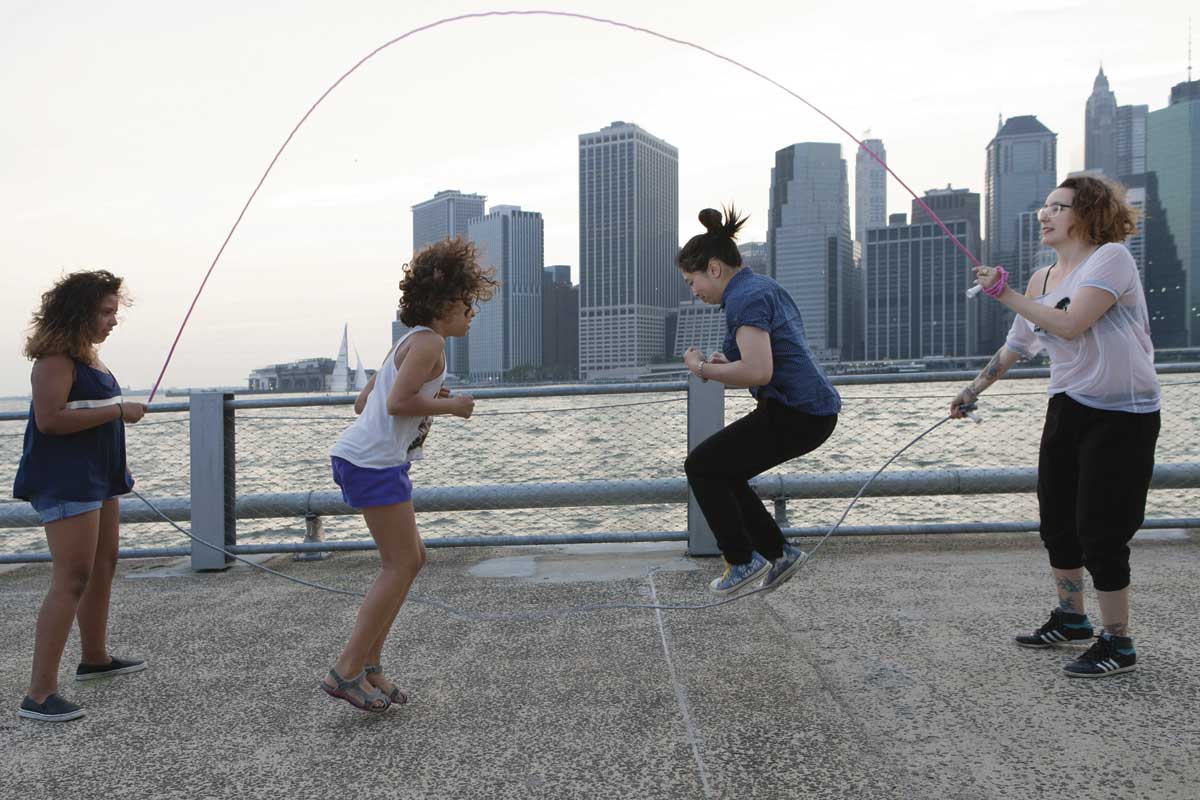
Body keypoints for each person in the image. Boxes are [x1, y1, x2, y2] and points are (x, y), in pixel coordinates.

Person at [951, 175, 1159, 678]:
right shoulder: (1042, 279)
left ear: (1087, 215)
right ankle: (1072, 618)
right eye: (1044, 206)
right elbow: (1017, 346)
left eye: (1059, 207)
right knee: (1057, 521)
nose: (1045, 214)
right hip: (1068, 406)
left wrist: (1003, 293)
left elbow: (1070, 324)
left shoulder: (1110, 259)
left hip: (1123, 414)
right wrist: (972, 390)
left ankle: (1118, 642)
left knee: (1101, 528)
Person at [320, 237, 496, 711]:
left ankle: (371, 665)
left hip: (367, 458)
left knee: (412, 558)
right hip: (373, 463)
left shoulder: (408, 342)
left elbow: (365, 403)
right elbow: (398, 403)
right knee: (399, 564)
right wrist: (452, 406)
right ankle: (347, 669)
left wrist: (425, 401)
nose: (471, 314)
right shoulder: (432, 343)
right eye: (466, 304)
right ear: (443, 304)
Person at [678, 207, 842, 594]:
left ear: (714, 269)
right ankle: (778, 553)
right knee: (722, 469)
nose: (693, 290)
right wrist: (725, 364)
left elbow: (758, 372)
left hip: (798, 412)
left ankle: (742, 559)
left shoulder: (746, 299)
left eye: (691, 280)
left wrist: (701, 367)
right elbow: (757, 364)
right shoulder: (759, 288)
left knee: (701, 466)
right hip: (805, 410)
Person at [14, 270, 148, 722]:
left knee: (103, 564)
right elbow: (50, 420)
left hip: (98, 477)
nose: (113, 320)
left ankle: (95, 657)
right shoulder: (55, 359)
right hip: (66, 480)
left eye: (115, 311)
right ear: (79, 312)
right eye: (106, 311)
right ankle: (39, 694)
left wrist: (116, 461)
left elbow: (87, 415)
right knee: (71, 577)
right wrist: (117, 410)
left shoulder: (89, 358)